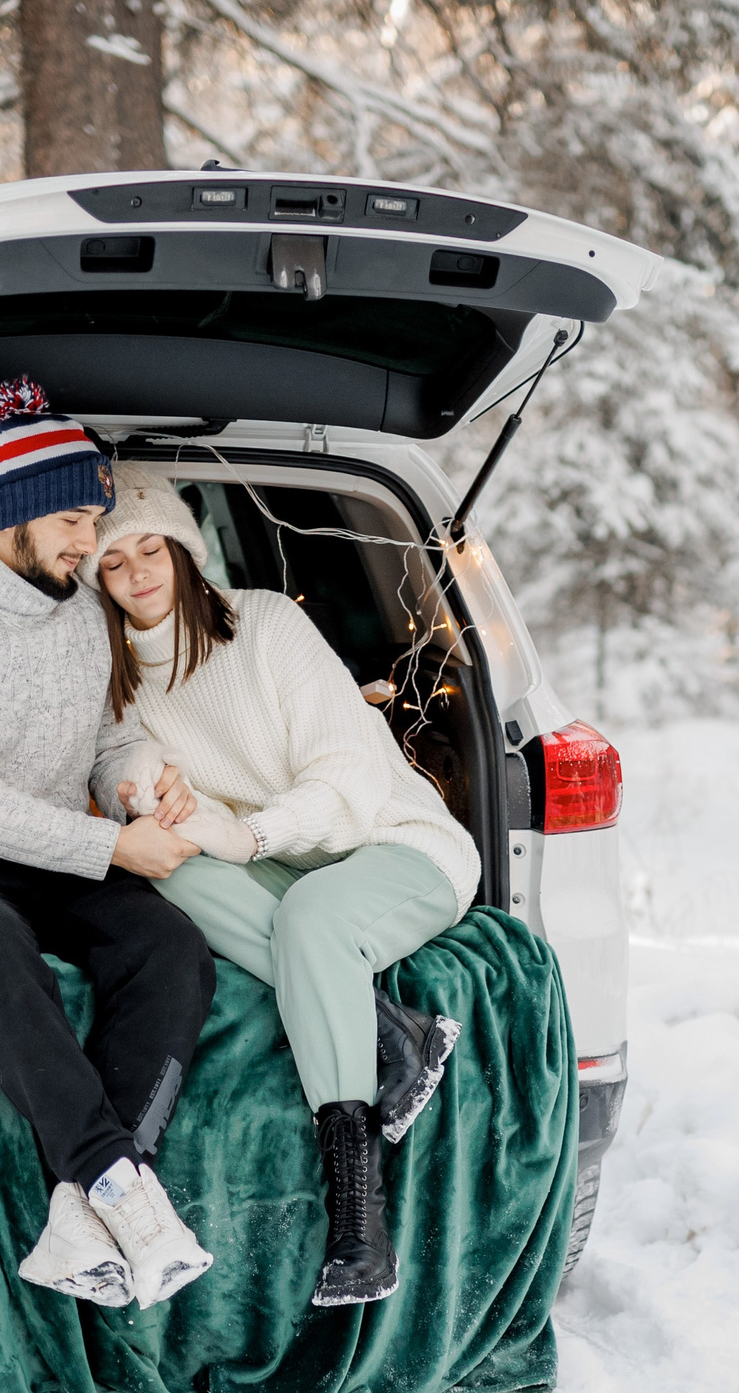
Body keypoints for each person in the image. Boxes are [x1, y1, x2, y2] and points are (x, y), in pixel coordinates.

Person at [0, 377, 217, 1311]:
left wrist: (140, 779)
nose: (87, 544)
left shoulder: (74, 618)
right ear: (6, 512)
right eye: (69, 518)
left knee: (169, 944)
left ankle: (80, 1211)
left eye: (92, 520)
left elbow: (103, 745)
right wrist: (109, 851)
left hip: (54, 858)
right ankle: (119, 1185)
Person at [83, 482, 474, 1308]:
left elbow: (347, 784)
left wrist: (246, 835)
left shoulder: (265, 622)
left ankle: (359, 1225)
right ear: (97, 580)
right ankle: (389, 1033)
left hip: (390, 841)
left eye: (151, 549)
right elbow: (121, 760)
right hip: (274, 862)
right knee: (167, 866)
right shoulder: (111, 675)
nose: (137, 573)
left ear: (185, 550)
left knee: (313, 918)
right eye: (112, 561)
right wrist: (151, 794)